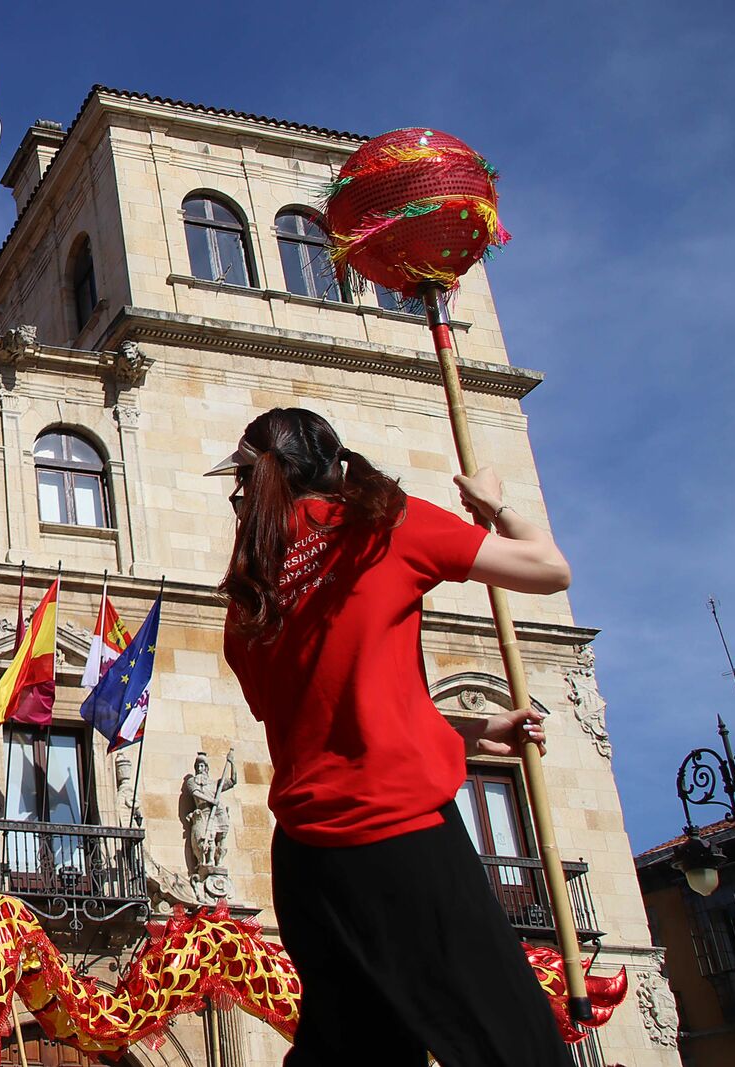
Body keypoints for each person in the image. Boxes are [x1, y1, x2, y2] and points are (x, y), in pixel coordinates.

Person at [210, 407, 572, 1066]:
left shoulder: (247, 601)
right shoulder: (383, 525)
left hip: (308, 863)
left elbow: (331, 713)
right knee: (519, 1046)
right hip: (398, 838)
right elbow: (548, 569)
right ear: (331, 466)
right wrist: (497, 504)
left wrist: (472, 728)